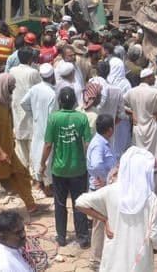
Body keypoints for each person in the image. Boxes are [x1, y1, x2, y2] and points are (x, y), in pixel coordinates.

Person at [75, 147, 157, 272]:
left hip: (112, 262)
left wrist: (104, 219)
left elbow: (80, 202)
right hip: (140, 263)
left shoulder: (111, 191)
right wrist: (155, 247)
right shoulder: (151, 199)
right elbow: (156, 237)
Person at [0, 74, 38, 216]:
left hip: (8, 148)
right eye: (11, 85)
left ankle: (31, 205)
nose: (13, 87)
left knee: (20, 175)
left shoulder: (5, 101)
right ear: (4, 85)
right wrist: (0, 152)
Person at [40, 87, 93, 247]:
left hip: (59, 169)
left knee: (60, 204)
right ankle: (83, 238)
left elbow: (48, 144)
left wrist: (42, 163)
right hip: (78, 168)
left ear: (60, 102)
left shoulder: (53, 118)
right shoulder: (82, 118)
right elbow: (88, 143)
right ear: (74, 102)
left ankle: (62, 237)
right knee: (80, 203)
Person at [124, 68, 157, 192]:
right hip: (153, 128)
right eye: (153, 77)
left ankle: (140, 185)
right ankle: (153, 186)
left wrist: (132, 113)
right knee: (155, 158)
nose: (155, 79)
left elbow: (121, 103)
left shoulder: (132, 92)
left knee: (139, 158)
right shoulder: (155, 92)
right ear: (148, 78)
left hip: (138, 129)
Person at [21, 63, 57, 191]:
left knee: (37, 151)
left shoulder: (35, 88)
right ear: (52, 76)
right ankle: (47, 184)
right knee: (48, 153)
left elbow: (23, 103)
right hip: (49, 126)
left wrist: (34, 114)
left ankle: (38, 180)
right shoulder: (53, 93)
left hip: (37, 124)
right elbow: (53, 115)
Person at [86, 115, 116, 264]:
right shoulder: (99, 144)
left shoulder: (102, 141)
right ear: (110, 129)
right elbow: (97, 165)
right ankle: (96, 260)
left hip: (104, 190)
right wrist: (105, 179)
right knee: (99, 225)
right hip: (101, 191)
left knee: (105, 224)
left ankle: (102, 257)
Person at [9, 47, 41, 170]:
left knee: (20, 143)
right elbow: (39, 90)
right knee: (32, 144)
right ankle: (33, 173)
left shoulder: (12, 70)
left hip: (17, 109)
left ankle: (23, 172)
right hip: (30, 111)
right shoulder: (33, 72)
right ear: (30, 59)